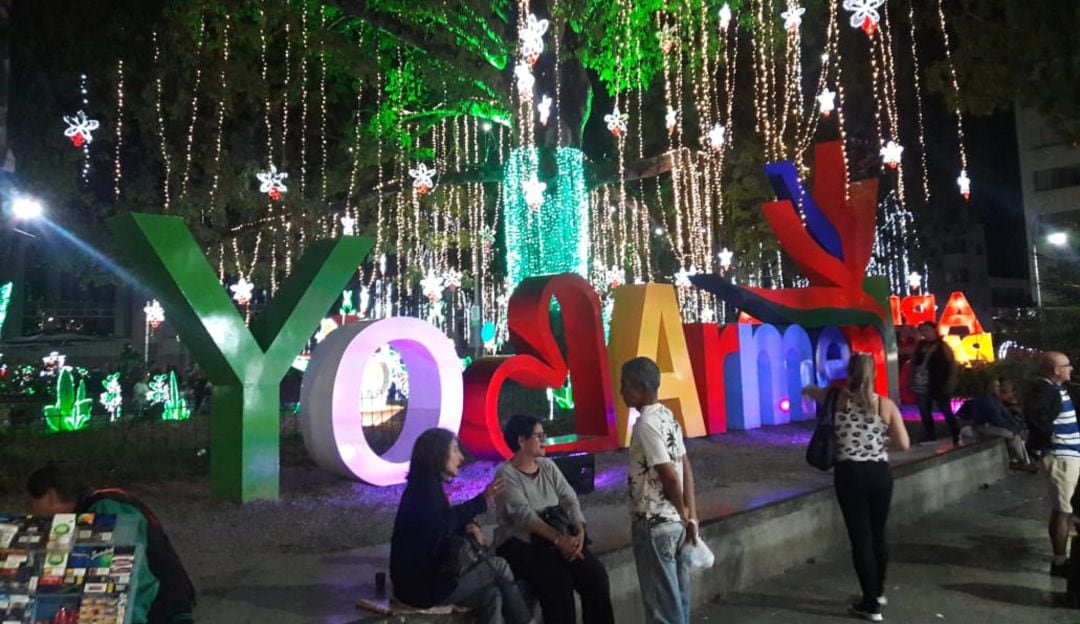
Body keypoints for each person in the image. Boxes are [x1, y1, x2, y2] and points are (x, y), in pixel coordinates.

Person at [803, 353, 910, 622]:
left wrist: (810, 390)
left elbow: (811, 391)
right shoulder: (885, 405)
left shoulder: (835, 399)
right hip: (880, 474)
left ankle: (870, 603)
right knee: (878, 534)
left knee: (860, 538)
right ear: (874, 374)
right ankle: (879, 591)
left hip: (849, 473)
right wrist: (880, 445)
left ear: (848, 372)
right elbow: (904, 444)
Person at [389, 428, 531, 624]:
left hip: (425, 581)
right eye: (455, 450)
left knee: (492, 595)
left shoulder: (426, 487)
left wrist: (469, 526)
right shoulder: (424, 491)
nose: (461, 457)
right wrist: (481, 500)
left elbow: (441, 522)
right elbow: (441, 523)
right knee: (499, 566)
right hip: (423, 588)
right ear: (438, 454)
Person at [26, 464, 196, 624]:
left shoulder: (107, 508)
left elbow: (131, 571)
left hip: (161, 610)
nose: (30, 510)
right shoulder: (96, 508)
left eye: (32, 502)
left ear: (50, 497)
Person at [494, 414, 614, 624]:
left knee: (596, 577)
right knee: (558, 584)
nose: (544, 441)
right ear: (522, 441)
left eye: (544, 435)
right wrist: (559, 540)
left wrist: (579, 529)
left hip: (558, 534)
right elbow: (524, 516)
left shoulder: (547, 466)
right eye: (538, 436)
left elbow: (568, 497)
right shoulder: (506, 475)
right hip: (525, 542)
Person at [621, 356, 698, 624]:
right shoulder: (669, 417)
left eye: (625, 386)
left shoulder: (645, 424)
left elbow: (669, 474)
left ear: (640, 388)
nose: (621, 392)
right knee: (679, 601)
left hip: (653, 523)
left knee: (662, 609)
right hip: (675, 525)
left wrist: (681, 509)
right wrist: (690, 515)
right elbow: (684, 466)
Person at [1023, 351, 1078, 577]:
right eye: (1067, 365)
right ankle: (1059, 561)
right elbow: (1036, 418)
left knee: (1067, 507)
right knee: (1063, 510)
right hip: (1061, 456)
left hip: (1069, 454)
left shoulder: (1057, 389)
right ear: (1056, 370)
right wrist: (1050, 441)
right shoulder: (1044, 391)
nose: (1071, 368)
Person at [967, 378, 1036, 471]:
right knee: (1011, 435)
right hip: (983, 426)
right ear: (989, 387)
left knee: (1016, 435)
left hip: (993, 425)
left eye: (998, 386)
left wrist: (1017, 426)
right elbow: (996, 419)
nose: (998, 388)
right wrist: (1012, 429)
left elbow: (1006, 415)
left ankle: (1019, 460)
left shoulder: (995, 399)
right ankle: (1023, 462)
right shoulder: (987, 399)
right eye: (996, 386)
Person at [910, 321, 960, 445]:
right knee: (924, 411)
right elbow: (914, 363)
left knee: (945, 410)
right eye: (923, 331)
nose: (925, 334)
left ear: (934, 331)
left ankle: (956, 433)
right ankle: (930, 435)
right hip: (923, 384)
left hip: (940, 383)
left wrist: (949, 382)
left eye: (927, 330)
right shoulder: (920, 345)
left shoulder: (942, 345)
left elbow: (952, 363)